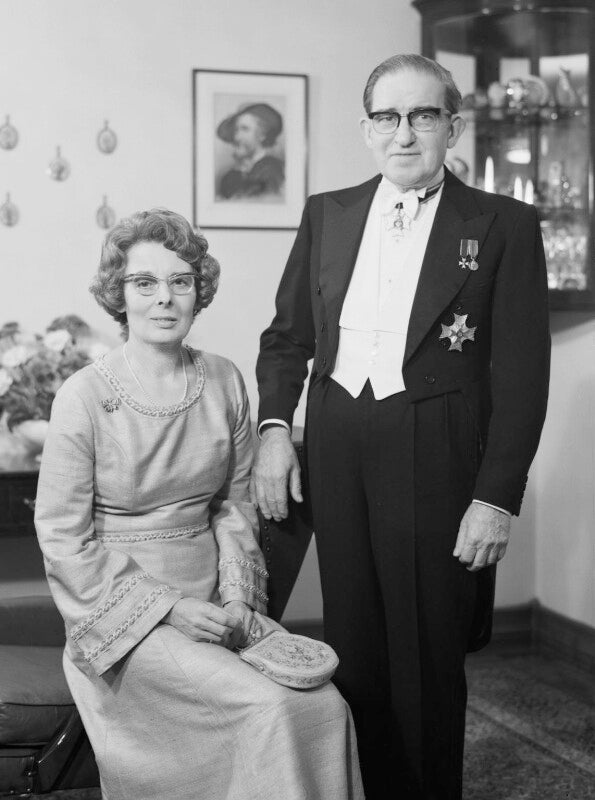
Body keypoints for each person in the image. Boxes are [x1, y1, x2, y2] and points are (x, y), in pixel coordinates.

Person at [252, 54, 550, 800]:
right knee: (351, 646)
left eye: (422, 115)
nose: (404, 133)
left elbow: (522, 377)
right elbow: (286, 340)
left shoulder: (505, 225)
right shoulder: (327, 212)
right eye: (387, 117)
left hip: (436, 451)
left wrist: (495, 498)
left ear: (453, 126)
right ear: (366, 129)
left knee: (424, 652)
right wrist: (275, 430)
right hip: (337, 446)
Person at [34, 209, 363, 800]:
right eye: (144, 282)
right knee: (267, 707)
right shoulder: (81, 396)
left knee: (325, 706)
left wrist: (237, 598)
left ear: (198, 290)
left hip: (218, 602)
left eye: (180, 281)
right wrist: (167, 608)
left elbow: (234, 508)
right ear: (119, 294)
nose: (164, 298)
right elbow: (62, 540)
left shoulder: (225, 380)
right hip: (125, 620)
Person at [217, 102, 285, 200]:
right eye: (236, 130)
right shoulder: (231, 176)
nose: (237, 137)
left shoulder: (272, 170)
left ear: (262, 135)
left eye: (245, 129)